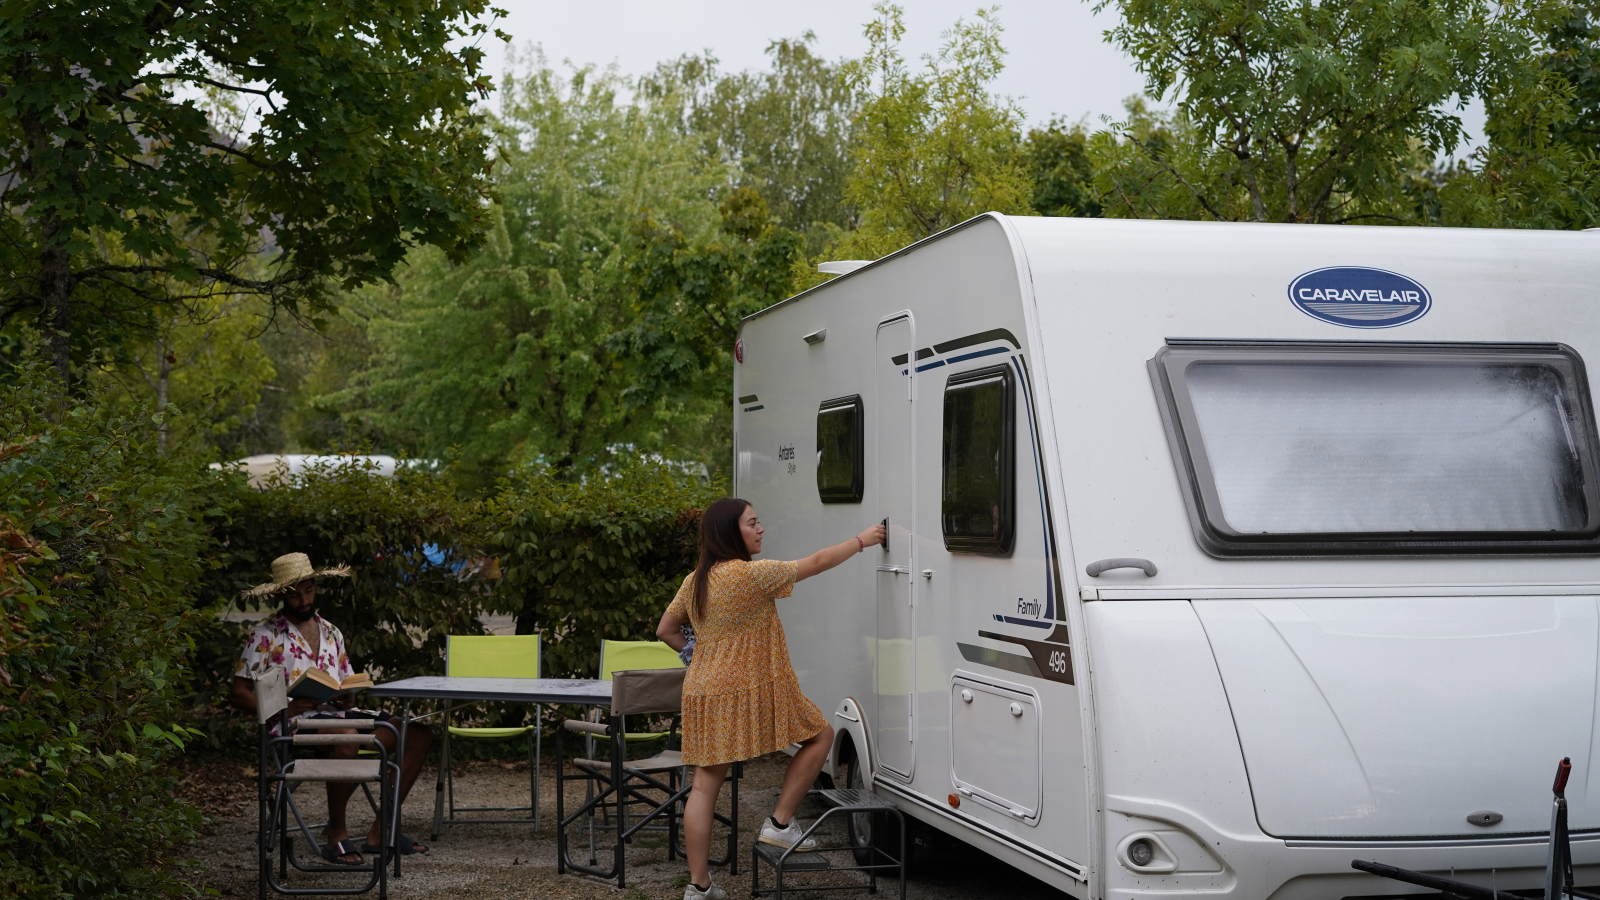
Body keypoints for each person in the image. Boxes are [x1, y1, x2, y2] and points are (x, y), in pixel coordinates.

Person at [656, 498, 885, 900]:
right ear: (731, 532)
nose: (761, 529)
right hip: (749, 687)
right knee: (821, 736)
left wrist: (697, 653)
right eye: (752, 523)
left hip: (702, 691)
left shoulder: (696, 580)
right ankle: (780, 825)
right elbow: (816, 562)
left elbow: (665, 628)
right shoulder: (751, 575)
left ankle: (699, 887)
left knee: (704, 787)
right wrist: (861, 540)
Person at [229, 552, 433, 865]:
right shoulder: (265, 635)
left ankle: (381, 830)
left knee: (415, 732)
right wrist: (289, 705)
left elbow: (344, 679)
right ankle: (336, 834)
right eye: (294, 594)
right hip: (293, 722)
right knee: (346, 734)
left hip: (337, 715)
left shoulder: (330, 631)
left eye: (308, 590)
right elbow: (239, 694)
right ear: (280, 595)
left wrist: (347, 696)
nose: (303, 599)